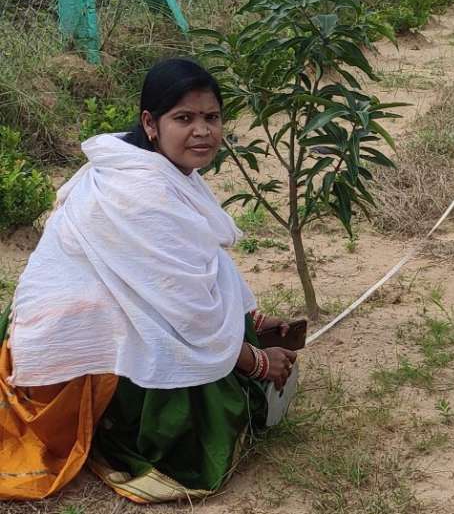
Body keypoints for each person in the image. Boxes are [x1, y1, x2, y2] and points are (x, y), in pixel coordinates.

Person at [0, 58, 299, 503]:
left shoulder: (156, 167)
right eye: (184, 118)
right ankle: (121, 429)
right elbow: (181, 311)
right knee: (195, 432)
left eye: (211, 118)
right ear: (150, 123)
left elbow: (201, 263)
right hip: (77, 350)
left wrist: (248, 315)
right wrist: (255, 360)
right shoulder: (140, 191)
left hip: (106, 310)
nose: (202, 131)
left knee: (211, 354)